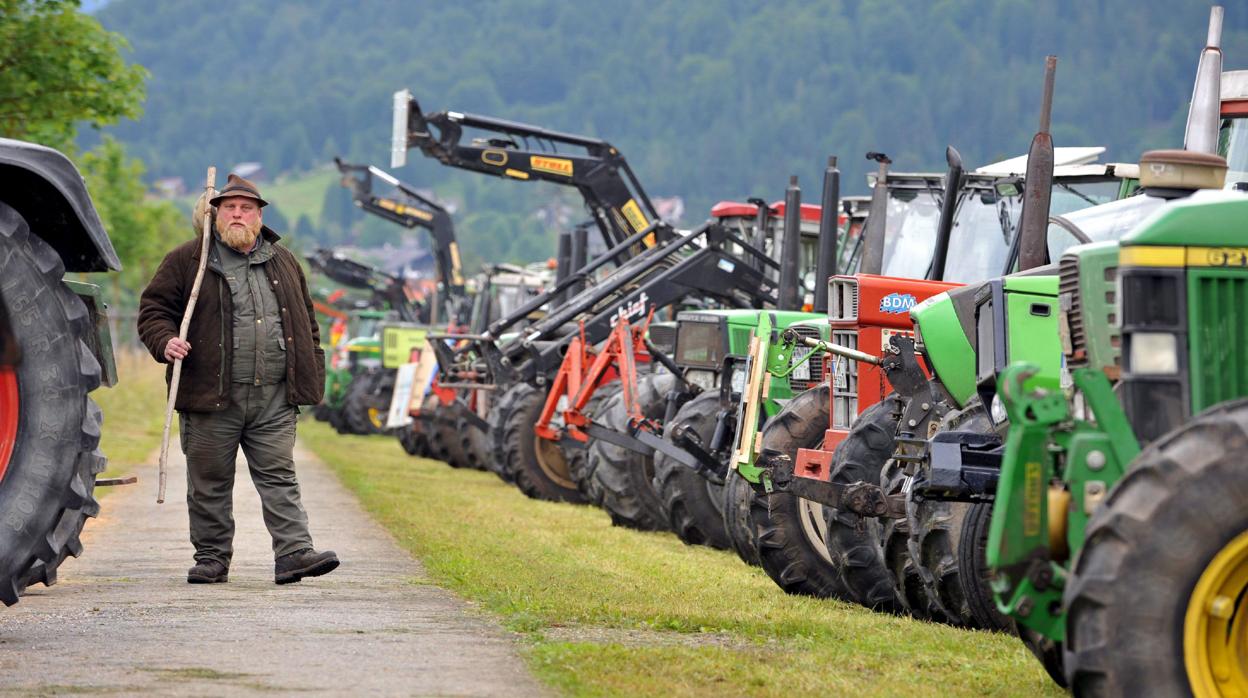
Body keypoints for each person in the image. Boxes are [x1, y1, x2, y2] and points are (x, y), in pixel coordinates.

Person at [138, 173, 338, 585]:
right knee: (209, 480)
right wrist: (167, 342)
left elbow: (307, 323)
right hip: (212, 395)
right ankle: (212, 558)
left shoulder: (284, 261)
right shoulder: (188, 260)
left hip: (273, 396)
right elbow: (153, 311)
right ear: (215, 214)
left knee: (279, 474)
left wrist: (308, 372)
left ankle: (294, 553)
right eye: (229, 208)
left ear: (260, 216)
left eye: (246, 208)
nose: (237, 214)